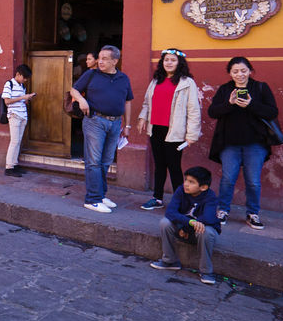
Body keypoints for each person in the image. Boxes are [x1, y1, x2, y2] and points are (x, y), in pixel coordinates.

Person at [207, 56, 278, 231]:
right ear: (230, 73)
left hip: (255, 144)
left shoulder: (260, 87)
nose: (240, 74)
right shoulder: (225, 90)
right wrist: (229, 103)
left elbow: (272, 112)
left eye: (243, 71)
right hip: (229, 143)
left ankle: (253, 213)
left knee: (253, 181)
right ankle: (223, 210)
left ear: (250, 71)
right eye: (235, 71)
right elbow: (212, 112)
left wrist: (251, 104)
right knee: (228, 179)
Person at [135, 48, 202, 210]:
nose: (169, 63)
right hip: (156, 129)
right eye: (166, 60)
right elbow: (146, 103)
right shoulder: (156, 80)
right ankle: (157, 198)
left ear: (179, 63)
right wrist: (143, 117)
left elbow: (194, 109)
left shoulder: (187, 82)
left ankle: (182, 201)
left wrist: (192, 134)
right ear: (162, 62)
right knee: (159, 165)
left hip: (175, 131)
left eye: (172, 60)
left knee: (174, 166)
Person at [69, 44, 133, 213]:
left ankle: (100, 195)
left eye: (105, 59)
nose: (100, 62)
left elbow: (127, 102)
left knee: (105, 162)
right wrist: (81, 100)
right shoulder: (91, 74)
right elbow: (73, 90)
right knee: (93, 162)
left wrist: (127, 125)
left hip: (115, 123)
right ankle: (92, 199)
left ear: (115, 61)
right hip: (95, 121)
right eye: (100, 58)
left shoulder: (123, 79)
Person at [149, 165, 222, 285]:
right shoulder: (181, 190)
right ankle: (170, 261)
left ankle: (206, 271)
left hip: (200, 234)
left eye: (191, 182)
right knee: (165, 222)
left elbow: (208, 218)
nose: (186, 184)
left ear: (203, 187)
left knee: (206, 231)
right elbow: (170, 212)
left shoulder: (210, 197)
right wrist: (187, 223)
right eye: (186, 180)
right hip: (183, 230)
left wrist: (186, 227)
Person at [1, 64, 35, 177]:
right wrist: (23, 97)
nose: (25, 80)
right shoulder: (9, 84)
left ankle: (14, 165)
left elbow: (21, 101)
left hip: (23, 116)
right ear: (18, 74)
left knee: (18, 142)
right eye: (24, 77)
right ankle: (9, 168)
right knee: (14, 141)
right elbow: (7, 101)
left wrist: (27, 99)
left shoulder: (22, 86)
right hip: (14, 115)